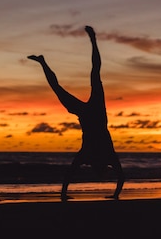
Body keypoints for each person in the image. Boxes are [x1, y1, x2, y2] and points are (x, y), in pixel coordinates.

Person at [28, 25, 124, 201]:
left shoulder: (87, 155)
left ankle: (42, 62)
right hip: (96, 111)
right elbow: (122, 177)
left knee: (59, 89)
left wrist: (64, 195)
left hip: (85, 114)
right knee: (95, 73)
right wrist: (115, 196)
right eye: (98, 171)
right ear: (101, 168)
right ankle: (93, 39)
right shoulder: (107, 155)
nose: (96, 170)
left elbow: (69, 175)